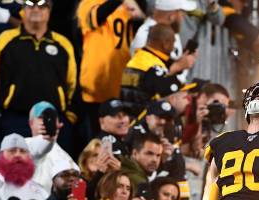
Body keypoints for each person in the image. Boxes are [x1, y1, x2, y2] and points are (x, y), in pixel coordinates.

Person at [0, 0, 77, 148]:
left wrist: (70, 118)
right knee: (14, 168)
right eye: (30, 5)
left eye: (42, 5)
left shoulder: (63, 43)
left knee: (57, 169)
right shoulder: (6, 40)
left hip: (53, 119)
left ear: (49, 11)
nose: (36, 9)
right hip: (15, 119)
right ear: (23, 10)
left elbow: (73, 84)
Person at [77, 0, 145, 137]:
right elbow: (96, 16)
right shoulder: (87, 3)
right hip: (96, 89)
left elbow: (142, 25)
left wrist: (139, 15)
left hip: (121, 84)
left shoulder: (127, 6)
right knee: (96, 143)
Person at [120, 24, 191, 115]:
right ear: (165, 44)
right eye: (173, 43)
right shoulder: (152, 66)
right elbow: (170, 90)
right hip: (142, 119)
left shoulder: (140, 58)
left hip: (129, 115)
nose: (173, 48)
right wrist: (177, 67)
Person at [129, 0, 198, 83]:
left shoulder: (171, 31)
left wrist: (182, 60)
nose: (184, 15)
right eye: (181, 12)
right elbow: (142, 78)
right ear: (171, 16)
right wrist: (177, 66)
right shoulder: (145, 34)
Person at [26, 101, 79, 192]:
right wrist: (48, 140)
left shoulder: (66, 157)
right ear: (31, 123)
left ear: (58, 123)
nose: (45, 122)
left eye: (50, 118)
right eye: (41, 118)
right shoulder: (23, 146)